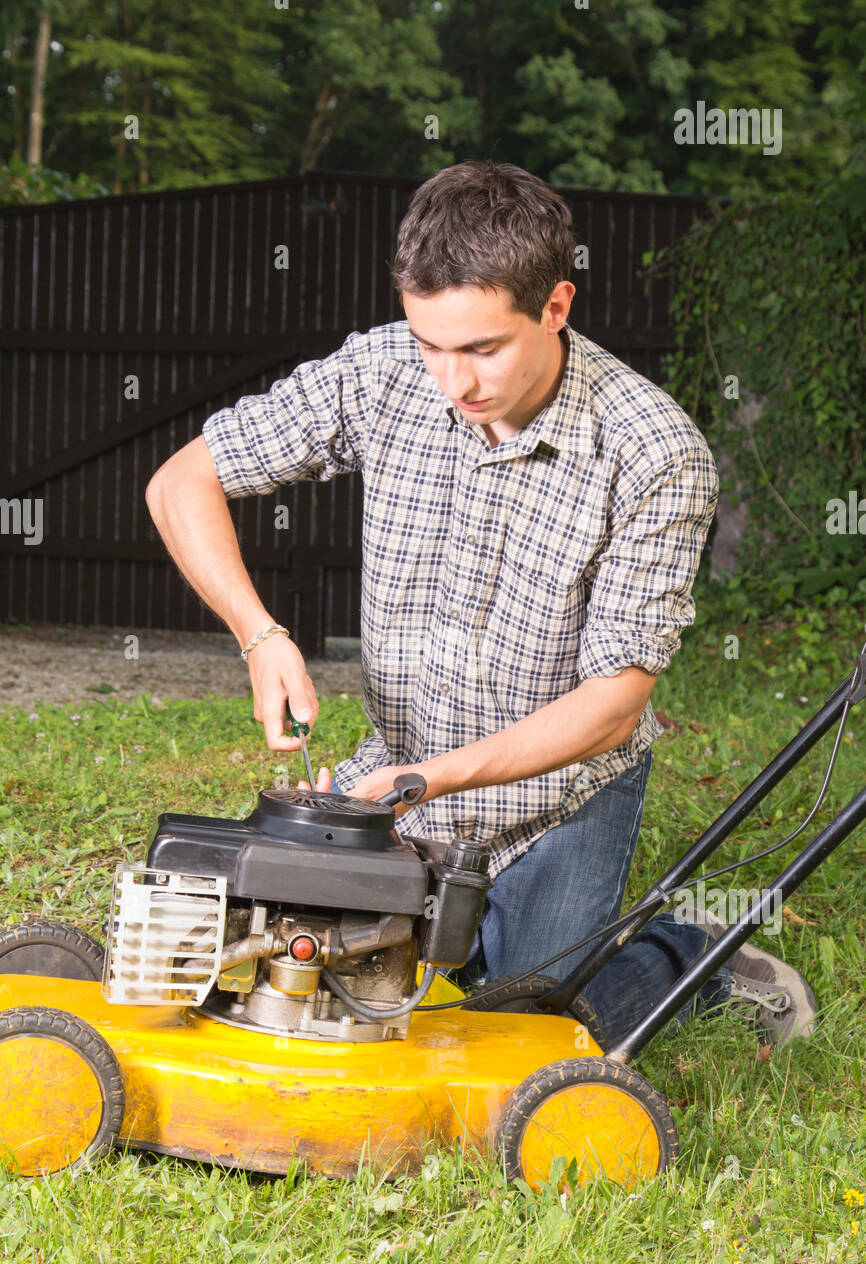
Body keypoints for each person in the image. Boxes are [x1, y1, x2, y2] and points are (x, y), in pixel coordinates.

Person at [145, 160, 816, 1048]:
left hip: (563, 787)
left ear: (556, 306)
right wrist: (258, 635)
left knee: (518, 1026)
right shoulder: (380, 372)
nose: (453, 383)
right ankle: (451, 938)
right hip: (404, 762)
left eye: (482, 349)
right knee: (283, 958)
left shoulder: (655, 453)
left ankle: (694, 959)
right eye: (431, 344)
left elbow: (614, 709)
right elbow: (180, 481)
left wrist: (426, 785)